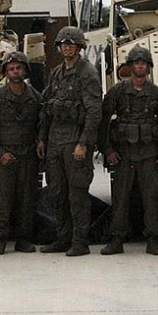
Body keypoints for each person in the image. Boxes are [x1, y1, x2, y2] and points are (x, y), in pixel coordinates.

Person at [98, 46, 158, 256]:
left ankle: (153, 239)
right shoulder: (117, 92)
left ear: (148, 67)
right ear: (130, 66)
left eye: (143, 63)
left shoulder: (156, 94)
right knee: (120, 198)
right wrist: (107, 150)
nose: (140, 66)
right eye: (136, 63)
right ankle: (117, 239)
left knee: (151, 198)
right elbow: (104, 121)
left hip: (149, 155)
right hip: (123, 154)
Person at [37, 26, 102, 257]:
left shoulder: (87, 73)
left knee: (77, 194)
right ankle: (63, 238)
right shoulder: (56, 73)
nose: (66, 48)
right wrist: (42, 138)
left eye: (70, 44)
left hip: (75, 139)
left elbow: (94, 112)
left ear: (79, 47)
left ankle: (80, 241)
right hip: (56, 140)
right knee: (57, 193)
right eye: (63, 44)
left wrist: (84, 143)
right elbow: (47, 106)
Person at [0, 51, 43, 255]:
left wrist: (40, 142)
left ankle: (23, 239)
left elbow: (42, 123)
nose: (15, 72)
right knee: (0, 198)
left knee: (26, 199)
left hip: (27, 155)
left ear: (24, 70)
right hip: (4, 156)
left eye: (18, 68)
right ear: (6, 73)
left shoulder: (35, 97)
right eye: (11, 69)